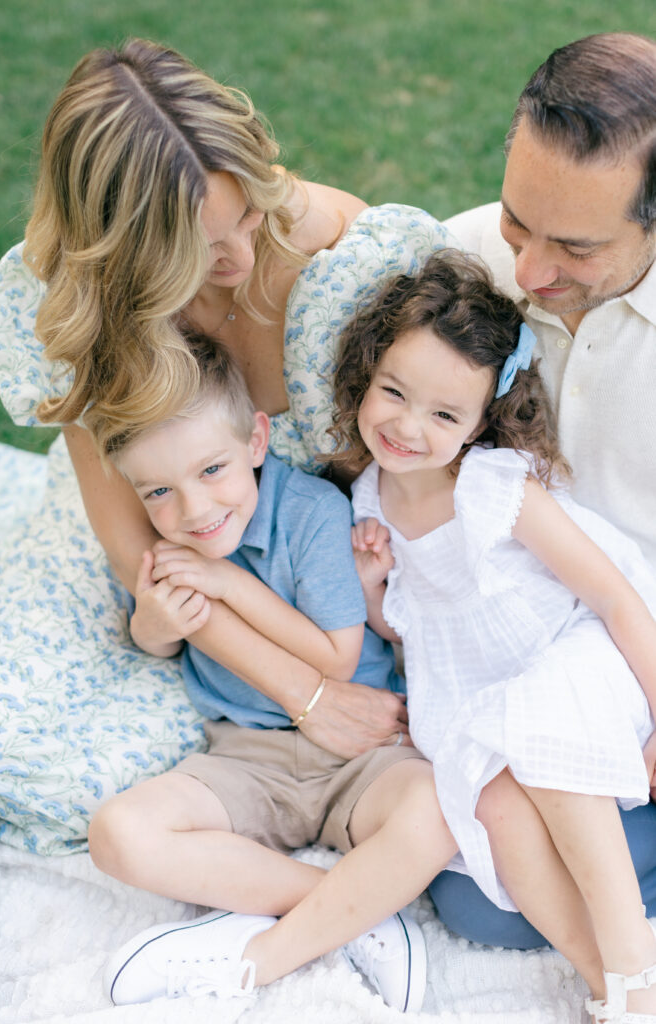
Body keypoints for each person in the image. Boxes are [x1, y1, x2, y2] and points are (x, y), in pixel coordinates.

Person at [0, 37, 457, 761]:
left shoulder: (341, 256)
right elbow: (136, 553)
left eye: (247, 216)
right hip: (174, 576)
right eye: (200, 249)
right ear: (119, 250)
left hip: (324, 582)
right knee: (4, 741)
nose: (238, 259)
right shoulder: (70, 305)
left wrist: (334, 654)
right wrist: (309, 698)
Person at [330, 248, 656, 1022]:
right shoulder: (367, 496)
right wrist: (374, 584)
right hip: (480, 688)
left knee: (539, 729)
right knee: (493, 809)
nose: (407, 427)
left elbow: (611, 597)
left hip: (577, 656)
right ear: (364, 377)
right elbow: (404, 623)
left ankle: (634, 971)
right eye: (393, 394)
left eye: (443, 415)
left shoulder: (491, 487)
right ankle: (603, 980)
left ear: (482, 423)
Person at [88, 333, 459, 1012]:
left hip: (359, 750)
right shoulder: (171, 547)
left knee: (440, 810)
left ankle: (281, 932)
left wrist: (223, 584)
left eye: (212, 471)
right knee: (118, 833)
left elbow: (335, 657)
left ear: (255, 442)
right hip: (245, 757)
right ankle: (349, 912)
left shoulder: (309, 513)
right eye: (159, 492)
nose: (194, 512)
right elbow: (155, 645)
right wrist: (155, 621)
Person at [431, 29, 656, 955]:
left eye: (573, 245)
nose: (525, 273)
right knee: (475, 899)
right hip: (525, 639)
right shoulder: (460, 258)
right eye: (519, 218)